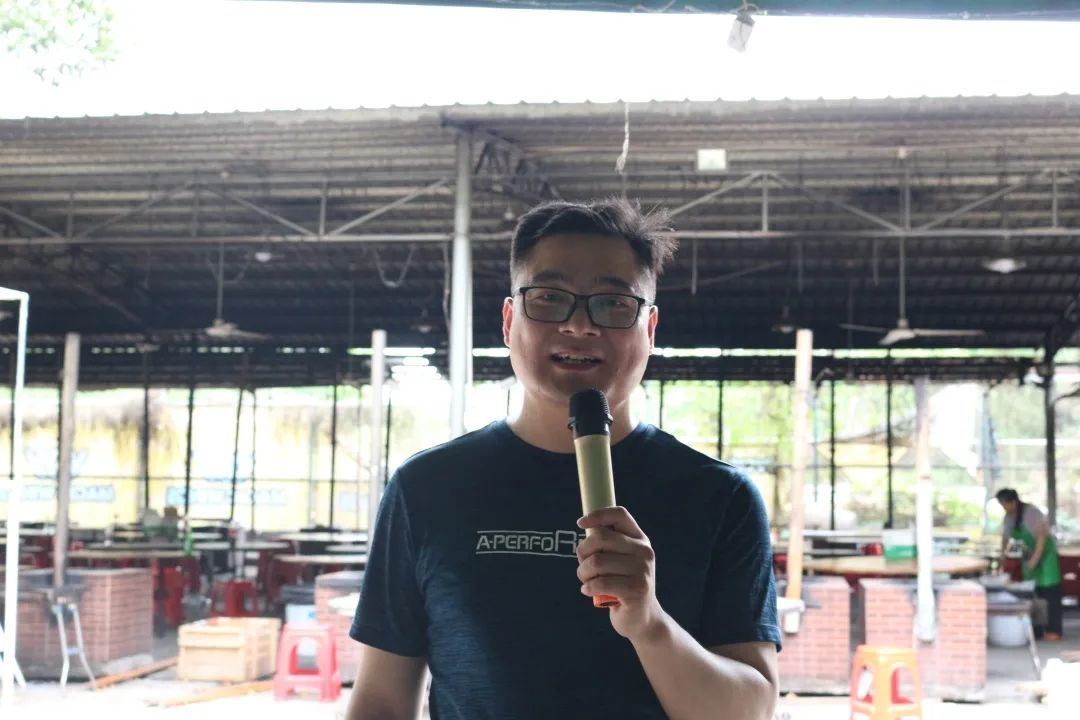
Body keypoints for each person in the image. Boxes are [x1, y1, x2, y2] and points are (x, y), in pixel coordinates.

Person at [345, 198, 781, 720]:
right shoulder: (427, 488)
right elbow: (381, 701)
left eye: (613, 303)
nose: (579, 326)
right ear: (509, 320)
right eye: (549, 298)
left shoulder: (719, 496)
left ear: (650, 329)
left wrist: (650, 624)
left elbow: (751, 711)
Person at [996, 488, 1063, 640]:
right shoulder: (1009, 517)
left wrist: (1034, 561)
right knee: (1033, 594)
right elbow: (1006, 539)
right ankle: (1037, 630)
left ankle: (1054, 630)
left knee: (1049, 594)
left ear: (1013, 502)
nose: (1003, 507)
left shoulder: (1032, 513)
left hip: (1046, 558)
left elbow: (1041, 539)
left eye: (1004, 504)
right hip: (1029, 556)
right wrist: (1003, 558)